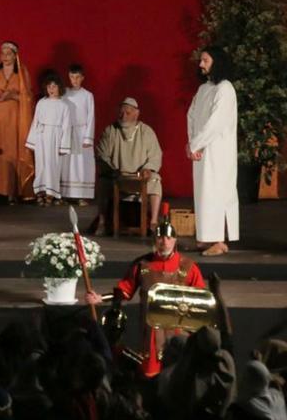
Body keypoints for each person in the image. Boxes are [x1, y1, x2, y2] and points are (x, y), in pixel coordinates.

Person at [85, 207, 205, 376]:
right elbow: (124, 290)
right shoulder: (142, 265)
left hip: (178, 330)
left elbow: (200, 299)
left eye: (168, 238)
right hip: (150, 331)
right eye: (160, 237)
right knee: (150, 372)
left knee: (178, 373)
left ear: (175, 240)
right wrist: (100, 298)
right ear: (155, 239)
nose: (164, 241)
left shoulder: (188, 267)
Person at [188, 46, 239, 257]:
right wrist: (192, 144)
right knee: (203, 193)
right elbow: (191, 116)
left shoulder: (225, 89)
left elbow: (215, 123)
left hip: (218, 150)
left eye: (205, 60)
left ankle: (219, 240)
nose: (201, 64)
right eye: (201, 60)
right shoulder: (204, 89)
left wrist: (196, 144)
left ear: (216, 62)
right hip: (201, 150)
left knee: (217, 191)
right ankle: (206, 237)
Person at [92, 97, 163, 235]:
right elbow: (101, 154)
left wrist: (147, 168)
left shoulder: (146, 131)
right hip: (117, 175)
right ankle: (102, 221)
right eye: (121, 113)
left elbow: (155, 155)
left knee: (155, 180)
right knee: (102, 181)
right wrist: (112, 170)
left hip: (140, 177)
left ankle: (153, 222)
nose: (124, 116)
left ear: (136, 114)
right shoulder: (111, 131)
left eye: (128, 113)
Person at [0, 41, 34, 204]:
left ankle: (12, 190)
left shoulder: (22, 71)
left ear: (15, 54)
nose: (5, 57)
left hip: (14, 117)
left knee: (12, 151)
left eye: (8, 53)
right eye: (2, 53)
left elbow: (28, 96)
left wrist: (12, 96)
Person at [25, 72, 71, 206]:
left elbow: (66, 127)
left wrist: (63, 145)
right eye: (49, 86)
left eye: (54, 86)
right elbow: (36, 121)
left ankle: (51, 193)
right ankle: (40, 192)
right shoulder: (41, 103)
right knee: (41, 165)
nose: (51, 89)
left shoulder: (64, 105)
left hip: (55, 137)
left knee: (53, 165)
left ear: (59, 87)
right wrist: (32, 141)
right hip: (41, 135)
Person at [60, 64, 96, 204]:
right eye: (71, 77)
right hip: (68, 132)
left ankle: (82, 195)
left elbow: (91, 116)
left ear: (82, 78)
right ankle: (66, 194)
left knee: (81, 164)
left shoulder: (88, 95)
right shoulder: (64, 93)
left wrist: (88, 137)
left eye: (77, 77)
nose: (74, 80)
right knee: (67, 163)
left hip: (82, 133)